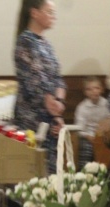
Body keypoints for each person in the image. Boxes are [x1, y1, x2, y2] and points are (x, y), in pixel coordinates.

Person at [14, 0, 66, 174]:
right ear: (34, 13)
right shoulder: (25, 41)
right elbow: (35, 82)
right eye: (50, 12)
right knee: (33, 173)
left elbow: (58, 78)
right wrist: (53, 108)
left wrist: (59, 104)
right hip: (32, 119)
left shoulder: (46, 44)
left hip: (50, 118)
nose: (54, 16)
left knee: (52, 174)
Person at [74, 76, 110, 168]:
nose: (94, 91)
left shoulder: (107, 104)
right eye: (89, 89)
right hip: (88, 137)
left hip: (103, 136)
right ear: (85, 92)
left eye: (96, 88)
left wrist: (104, 133)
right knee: (86, 149)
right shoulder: (82, 107)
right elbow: (79, 129)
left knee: (108, 151)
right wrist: (89, 136)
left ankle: (105, 171)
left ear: (102, 89)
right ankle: (84, 171)